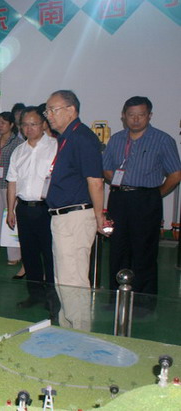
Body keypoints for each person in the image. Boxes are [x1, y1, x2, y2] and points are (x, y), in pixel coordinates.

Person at [103, 96, 181, 308]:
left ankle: (144, 303)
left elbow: (175, 174)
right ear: (123, 116)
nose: (136, 119)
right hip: (119, 199)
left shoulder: (162, 140)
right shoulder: (116, 139)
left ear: (149, 115)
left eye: (141, 115)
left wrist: (155, 194)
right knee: (117, 250)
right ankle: (116, 298)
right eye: (131, 115)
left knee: (144, 252)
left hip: (146, 200)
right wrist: (120, 182)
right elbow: (106, 168)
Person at [44, 90, 106, 331]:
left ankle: (80, 332)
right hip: (63, 217)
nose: (49, 115)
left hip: (75, 217)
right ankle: (67, 328)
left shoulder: (82, 138)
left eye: (53, 110)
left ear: (71, 110)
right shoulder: (66, 137)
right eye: (47, 111)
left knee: (73, 279)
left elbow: (96, 181)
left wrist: (99, 216)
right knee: (63, 278)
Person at [6, 107, 60, 321]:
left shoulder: (55, 146)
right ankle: (35, 295)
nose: (29, 128)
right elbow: (12, 182)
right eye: (25, 125)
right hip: (24, 209)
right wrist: (10, 210)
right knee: (29, 255)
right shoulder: (18, 151)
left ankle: (53, 299)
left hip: (47, 209)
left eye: (33, 124)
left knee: (50, 255)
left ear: (43, 124)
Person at [0, 112, 23, 269]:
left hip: (10, 187)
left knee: (11, 219)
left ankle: (14, 255)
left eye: (3, 123)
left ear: (11, 125)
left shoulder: (18, 143)